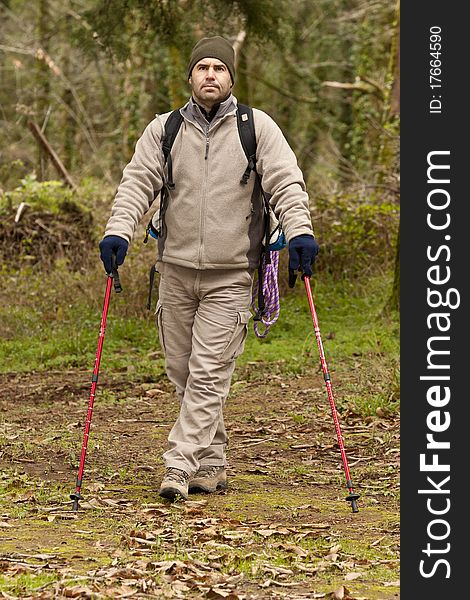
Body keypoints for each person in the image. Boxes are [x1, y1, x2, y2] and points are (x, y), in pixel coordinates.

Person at [99, 35, 319, 501]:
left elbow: (286, 182)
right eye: (203, 67)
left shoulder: (256, 128)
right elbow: (137, 184)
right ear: (191, 76)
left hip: (232, 274)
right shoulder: (165, 129)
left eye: (220, 67)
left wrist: (299, 232)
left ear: (231, 77)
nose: (211, 75)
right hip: (175, 272)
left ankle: (178, 466)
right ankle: (212, 462)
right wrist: (118, 231)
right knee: (182, 371)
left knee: (207, 372)